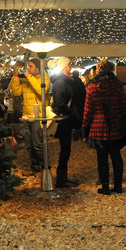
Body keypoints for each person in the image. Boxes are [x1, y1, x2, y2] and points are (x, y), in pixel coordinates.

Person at [83, 59, 126, 195]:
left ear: (98, 69)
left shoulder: (92, 86)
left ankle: (104, 186)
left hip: (98, 127)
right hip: (115, 127)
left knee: (102, 159)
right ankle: (118, 186)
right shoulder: (117, 85)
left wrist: (85, 125)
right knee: (116, 157)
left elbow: (88, 109)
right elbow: (123, 106)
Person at [10, 58, 50, 173]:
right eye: (28, 66)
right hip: (26, 115)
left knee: (37, 144)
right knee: (29, 145)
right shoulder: (27, 80)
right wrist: (15, 79)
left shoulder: (44, 78)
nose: (28, 68)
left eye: (31, 66)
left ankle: (45, 166)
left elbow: (41, 90)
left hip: (38, 116)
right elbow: (17, 92)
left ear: (37, 67)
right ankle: (35, 166)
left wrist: (29, 76)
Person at [49, 57, 81, 188]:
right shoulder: (60, 83)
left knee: (66, 149)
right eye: (69, 65)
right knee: (65, 149)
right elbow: (59, 103)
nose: (70, 67)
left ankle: (63, 178)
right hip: (64, 120)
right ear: (64, 66)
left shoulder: (63, 82)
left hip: (66, 119)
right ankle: (61, 179)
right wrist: (69, 113)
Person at [70, 70, 86, 141]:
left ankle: (75, 135)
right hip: (80, 103)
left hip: (73, 103)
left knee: (74, 119)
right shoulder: (80, 82)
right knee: (80, 119)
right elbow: (83, 93)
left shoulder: (71, 81)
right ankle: (80, 135)